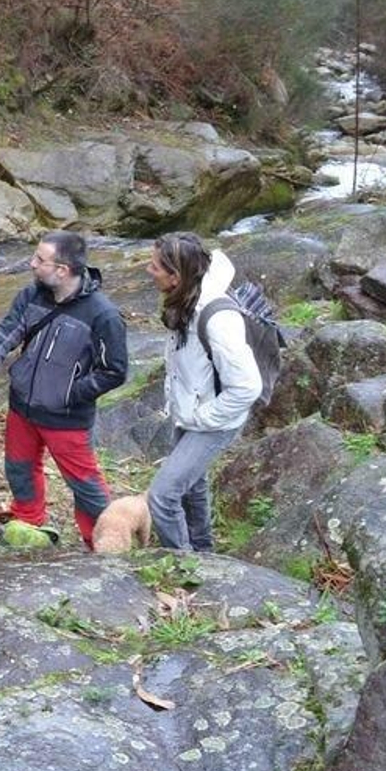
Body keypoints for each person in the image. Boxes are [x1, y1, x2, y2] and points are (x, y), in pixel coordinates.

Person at [0, 231, 127, 547]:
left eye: (40, 259)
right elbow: (3, 337)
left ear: (62, 270)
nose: (32, 263)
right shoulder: (31, 295)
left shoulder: (103, 315)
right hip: (22, 408)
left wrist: (70, 394)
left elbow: (115, 371)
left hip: (67, 418)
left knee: (84, 483)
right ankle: (28, 524)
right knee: (19, 469)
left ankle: (101, 543)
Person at [144, 231, 262, 550]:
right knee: (192, 485)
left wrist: (203, 416)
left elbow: (248, 386)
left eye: (155, 266)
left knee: (162, 496)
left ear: (176, 276)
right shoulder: (187, 298)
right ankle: (203, 550)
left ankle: (184, 564)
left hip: (215, 418)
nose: (148, 270)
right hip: (191, 410)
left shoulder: (218, 319)